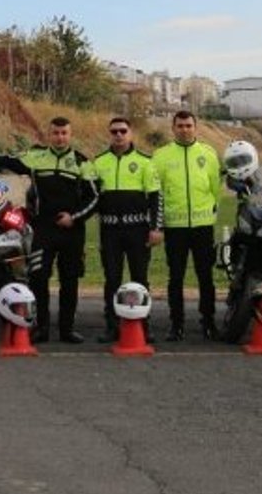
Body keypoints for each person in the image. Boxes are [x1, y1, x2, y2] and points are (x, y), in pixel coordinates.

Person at [0, 117, 99, 343]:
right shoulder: (35, 156)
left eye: (64, 133)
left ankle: (67, 329)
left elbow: (94, 198)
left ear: (70, 135)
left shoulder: (82, 162)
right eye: (55, 133)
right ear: (48, 134)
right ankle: (40, 327)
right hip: (42, 229)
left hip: (72, 231)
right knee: (38, 277)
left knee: (70, 280)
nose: (60, 137)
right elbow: (12, 161)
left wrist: (74, 218)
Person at [151, 110, 221, 341]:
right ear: (173, 128)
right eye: (180, 126)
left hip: (202, 226)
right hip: (175, 227)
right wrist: (159, 225)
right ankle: (176, 324)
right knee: (176, 277)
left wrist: (211, 212)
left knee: (205, 277)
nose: (185, 129)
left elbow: (215, 188)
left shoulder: (208, 154)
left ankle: (208, 322)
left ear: (196, 127)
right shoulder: (161, 156)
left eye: (189, 125)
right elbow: (156, 193)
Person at [91, 117, 162, 343]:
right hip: (110, 230)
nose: (119, 135)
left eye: (123, 131)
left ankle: (143, 325)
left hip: (137, 230)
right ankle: (112, 326)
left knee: (140, 278)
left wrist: (156, 228)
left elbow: (155, 198)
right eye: (114, 132)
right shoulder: (99, 162)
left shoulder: (145, 162)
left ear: (131, 133)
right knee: (112, 279)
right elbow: (91, 197)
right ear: (109, 134)